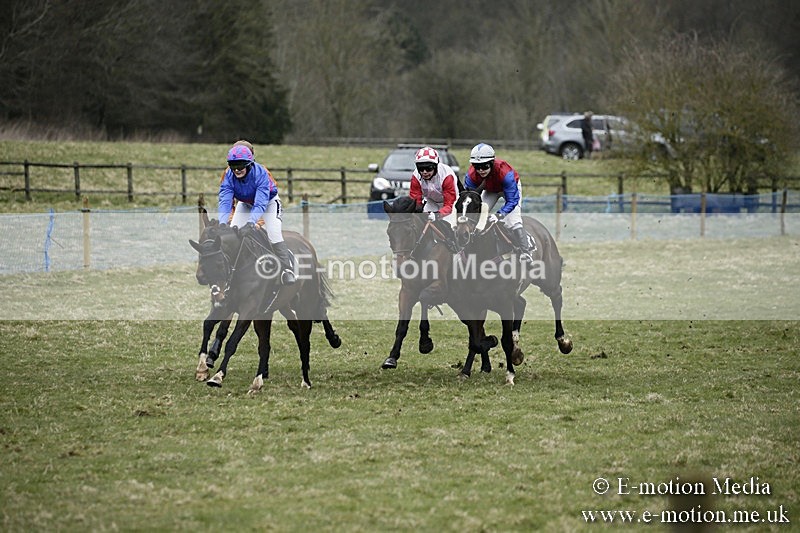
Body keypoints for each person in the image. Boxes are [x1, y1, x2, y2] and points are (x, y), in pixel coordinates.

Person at [217, 143, 295, 285]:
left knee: (273, 233)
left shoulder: (261, 173)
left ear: (249, 164)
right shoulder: (228, 175)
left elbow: (260, 204)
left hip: (269, 203)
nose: (237, 170)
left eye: (241, 165)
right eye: (233, 165)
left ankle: (287, 269)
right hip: (245, 203)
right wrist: (222, 223)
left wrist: (251, 223)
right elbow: (225, 201)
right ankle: (233, 269)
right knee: (233, 233)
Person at [464, 143, 535, 262]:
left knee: (513, 221)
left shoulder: (506, 174)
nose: (481, 170)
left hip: (509, 190)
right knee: (478, 215)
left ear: (492, 163)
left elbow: (512, 200)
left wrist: (499, 214)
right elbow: (470, 198)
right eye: (477, 166)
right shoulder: (471, 175)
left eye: (485, 166)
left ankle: (525, 251)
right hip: (491, 190)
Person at [408, 146, 459, 304]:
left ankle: (457, 257)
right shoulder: (416, 176)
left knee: (449, 229)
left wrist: (437, 215)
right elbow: (415, 199)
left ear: (436, 166)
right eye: (421, 168)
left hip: (450, 203)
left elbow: (450, 204)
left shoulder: (446, 175)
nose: (424, 172)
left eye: (428, 168)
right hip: (431, 201)